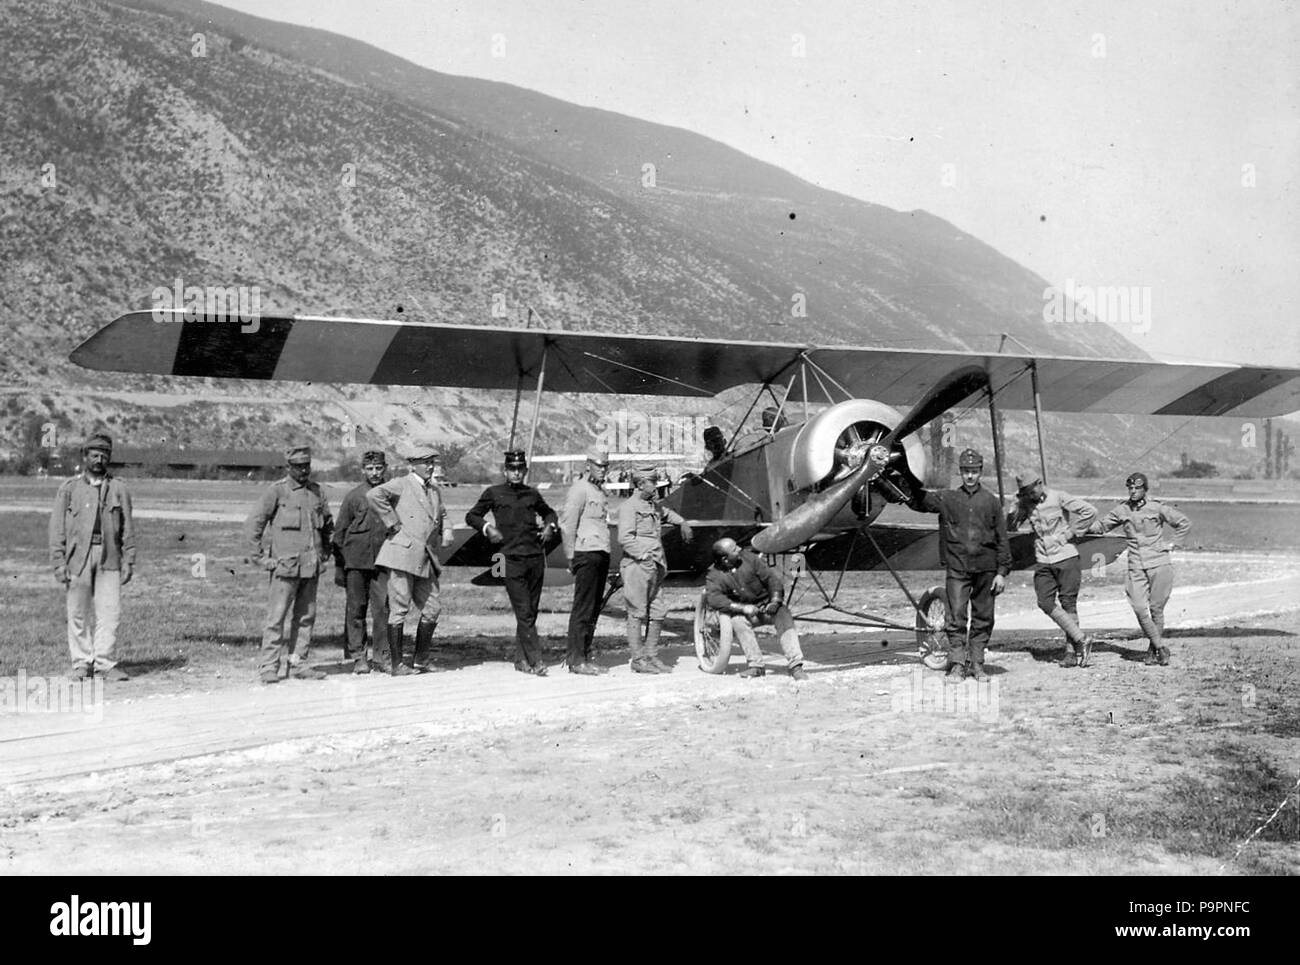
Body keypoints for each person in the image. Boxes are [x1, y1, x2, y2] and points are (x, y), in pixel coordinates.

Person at [908, 448, 1011, 682]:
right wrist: (895, 482)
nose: (970, 476)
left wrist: (1002, 572)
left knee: (984, 617)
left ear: (980, 472)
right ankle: (956, 664)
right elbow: (919, 501)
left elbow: (1002, 539)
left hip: (987, 568)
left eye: (974, 471)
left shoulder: (991, 502)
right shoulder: (949, 499)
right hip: (957, 568)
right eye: (966, 471)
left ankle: (977, 664)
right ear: (961, 473)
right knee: (955, 616)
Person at [49, 432, 135, 681]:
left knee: (110, 612)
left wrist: (129, 559)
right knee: (78, 612)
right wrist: (58, 561)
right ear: (84, 457)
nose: (99, 459)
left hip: (110, 557)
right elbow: (56, 528)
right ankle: (81, 663)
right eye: (95, 455)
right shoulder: (69, 489)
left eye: (104, 455)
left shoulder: (119, 489)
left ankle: (105, 664)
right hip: (79, 557)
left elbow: (128, 527)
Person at [245, 444, 334, 684]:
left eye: (307, 466)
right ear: (288, 467)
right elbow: (254, 524)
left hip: (310, 568)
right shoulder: (277, 492)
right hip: (284, 568)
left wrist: (325, 553)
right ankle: (269, 667)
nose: (303, 470)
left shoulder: (317, 492)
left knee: (306, 618)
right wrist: (262, 559)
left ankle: (298, 663)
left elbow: (327, 526)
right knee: (276, 618)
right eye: (298, 466)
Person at [466, 450, 559, 676]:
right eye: (512, 469)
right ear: (505, 471)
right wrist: (488, 529)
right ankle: (536, 661)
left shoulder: (532, 494)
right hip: (509, 559)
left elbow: (550, 513)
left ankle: (521, 660)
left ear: (525, 471)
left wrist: (549, 526)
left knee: (530, 611)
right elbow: (472, 516)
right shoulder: (493, 493)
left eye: (520, 469)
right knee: (524, 611)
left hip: (535, 558)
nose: (516, 473)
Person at [1089, 472, 1191, 666]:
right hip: (1136, 565)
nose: (1133, 492)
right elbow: (1101, 527)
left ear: (1145, 490)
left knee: (1156, 609)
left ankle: (1153, 651)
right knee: (1138, 607)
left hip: (1160, 564)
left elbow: (1183, 523)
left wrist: (1174, 543)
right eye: (1130, 488)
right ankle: (1161, 647)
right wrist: (1081, 526)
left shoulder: (1157, 507)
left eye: (1137, 488)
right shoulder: (1122, 510)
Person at [367, 445, 448, 676]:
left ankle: (421, 659)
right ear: (413, 465)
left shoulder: (433, 489)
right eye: (425, 463)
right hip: (401, 555)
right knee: (399, 608)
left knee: (433, 607)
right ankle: (396, 664)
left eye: (432, 462)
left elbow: (441, 512)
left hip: (425, 557)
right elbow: (374, 495)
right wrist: (392, 522)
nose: (430, 467)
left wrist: (448, 528)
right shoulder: (402, 484)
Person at [1008, 473, 1100, 668]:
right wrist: (1014, 506)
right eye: (1025, 492)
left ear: (1040, 484)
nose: (1030, 495)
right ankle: (1081, 639)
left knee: (1068, 604)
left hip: (1066, 557)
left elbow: (1090, 511)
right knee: (1044, 601)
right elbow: (1011, 527)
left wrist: (1071, 532)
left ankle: (1071, 653)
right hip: (1043, 560)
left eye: (1031, 490)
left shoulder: (1059, 497)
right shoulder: (1027, 503)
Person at [617, 464, 694, 674]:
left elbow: (667, 514)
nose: (656, 486)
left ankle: (651, 656)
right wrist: (642, 555)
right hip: (638, 566)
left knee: (658, 611)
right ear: (641, 484)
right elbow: (624, 537)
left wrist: (683, 523)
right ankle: (638, 659)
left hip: (656, 566)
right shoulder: (629, 507)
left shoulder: (652, 505)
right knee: (637, 612)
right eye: (652, 482)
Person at [705, 537, 807, 680]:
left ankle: (796, 666)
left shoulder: (750, 559)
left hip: (767, 607)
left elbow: (772, 580)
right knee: (737, 622)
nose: (739, 549)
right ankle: (756, 666)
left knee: (784, 615)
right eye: (734, 549)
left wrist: (775, 601)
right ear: (724, 559)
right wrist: (742, 608)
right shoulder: (714, 575)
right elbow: (714, 599)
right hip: (745, 613)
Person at [332, 450, 390, 674]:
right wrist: (340, 567)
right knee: (356, 610)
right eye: (370, 469)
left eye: (378, 468)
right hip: (356, 563)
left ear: (384, 468)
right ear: (363, 470)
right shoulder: (354, 496)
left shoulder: (391, 494)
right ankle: (358, 657)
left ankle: (381, 656)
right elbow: (339, 534)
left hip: (383, 563)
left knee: (383, 610)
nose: (374, 473)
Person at [559, 448, 612, 675]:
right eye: (599, 466)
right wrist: (570, 555)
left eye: (605, 466)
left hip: (600, 551)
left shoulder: (599, 491)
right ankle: (576, 659)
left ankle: (586, 654)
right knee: (583, 608)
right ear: (588, 465)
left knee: (593, 609)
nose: (603, 470)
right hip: (585, 553)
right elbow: (567, 524)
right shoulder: (579, 490)